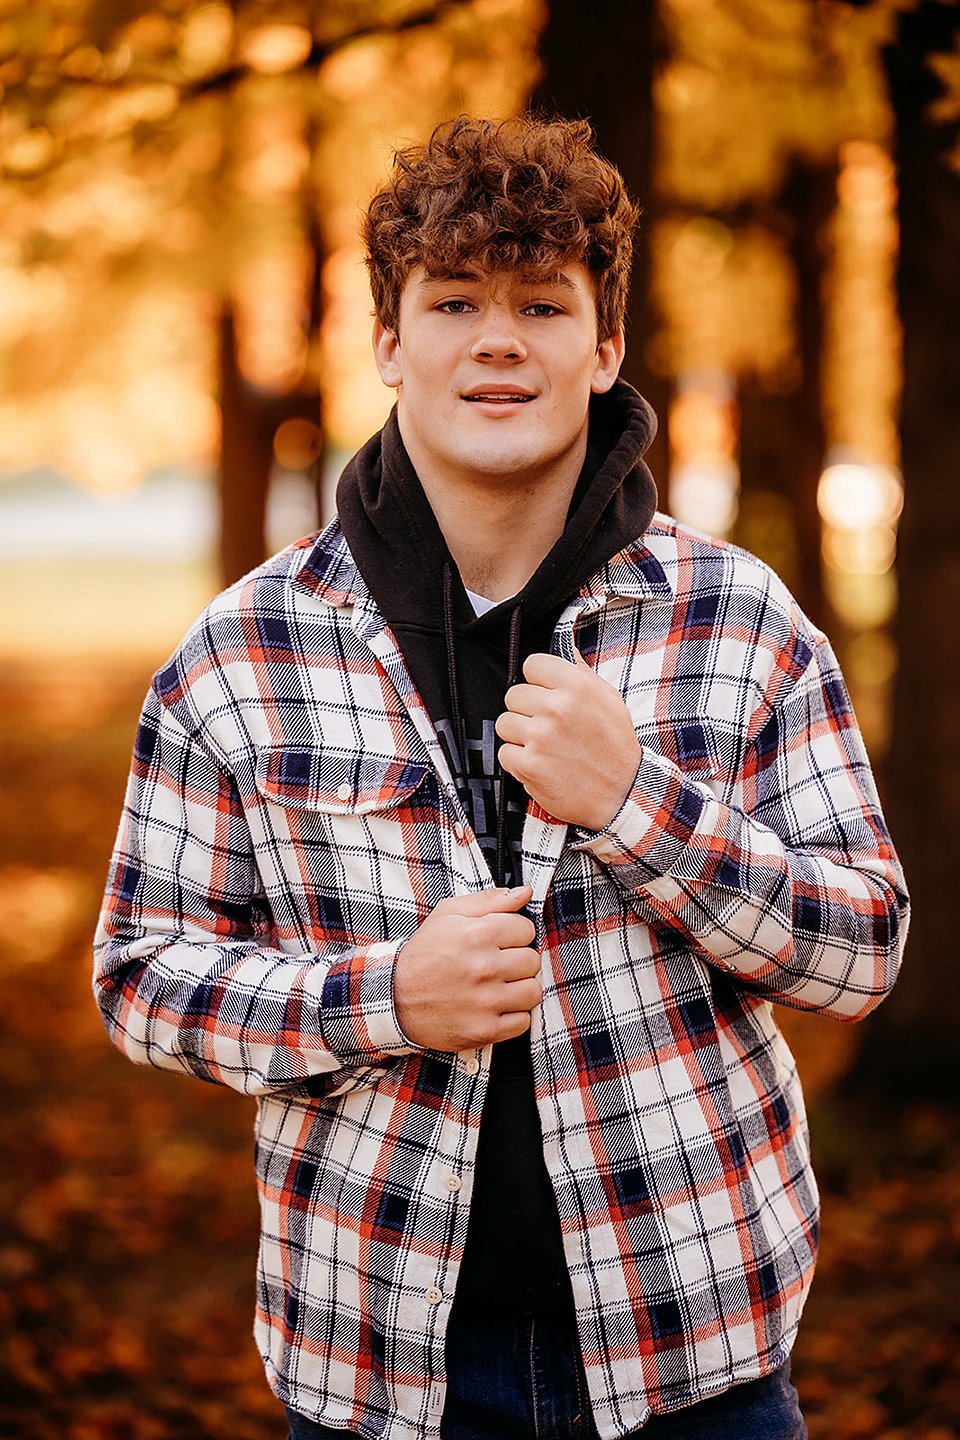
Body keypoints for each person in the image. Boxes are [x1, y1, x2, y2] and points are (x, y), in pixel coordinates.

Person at [94, 115, 909, 1440]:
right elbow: (140, 979)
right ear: (386, 340)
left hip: (696, 1361)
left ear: (604, 345)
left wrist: (641, 808)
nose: (496, 339)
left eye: (542, 302)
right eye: (454, 299)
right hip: (379, 1369)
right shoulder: (244, 650)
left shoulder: (738, 619)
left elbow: (862, 949)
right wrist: (388, 998)